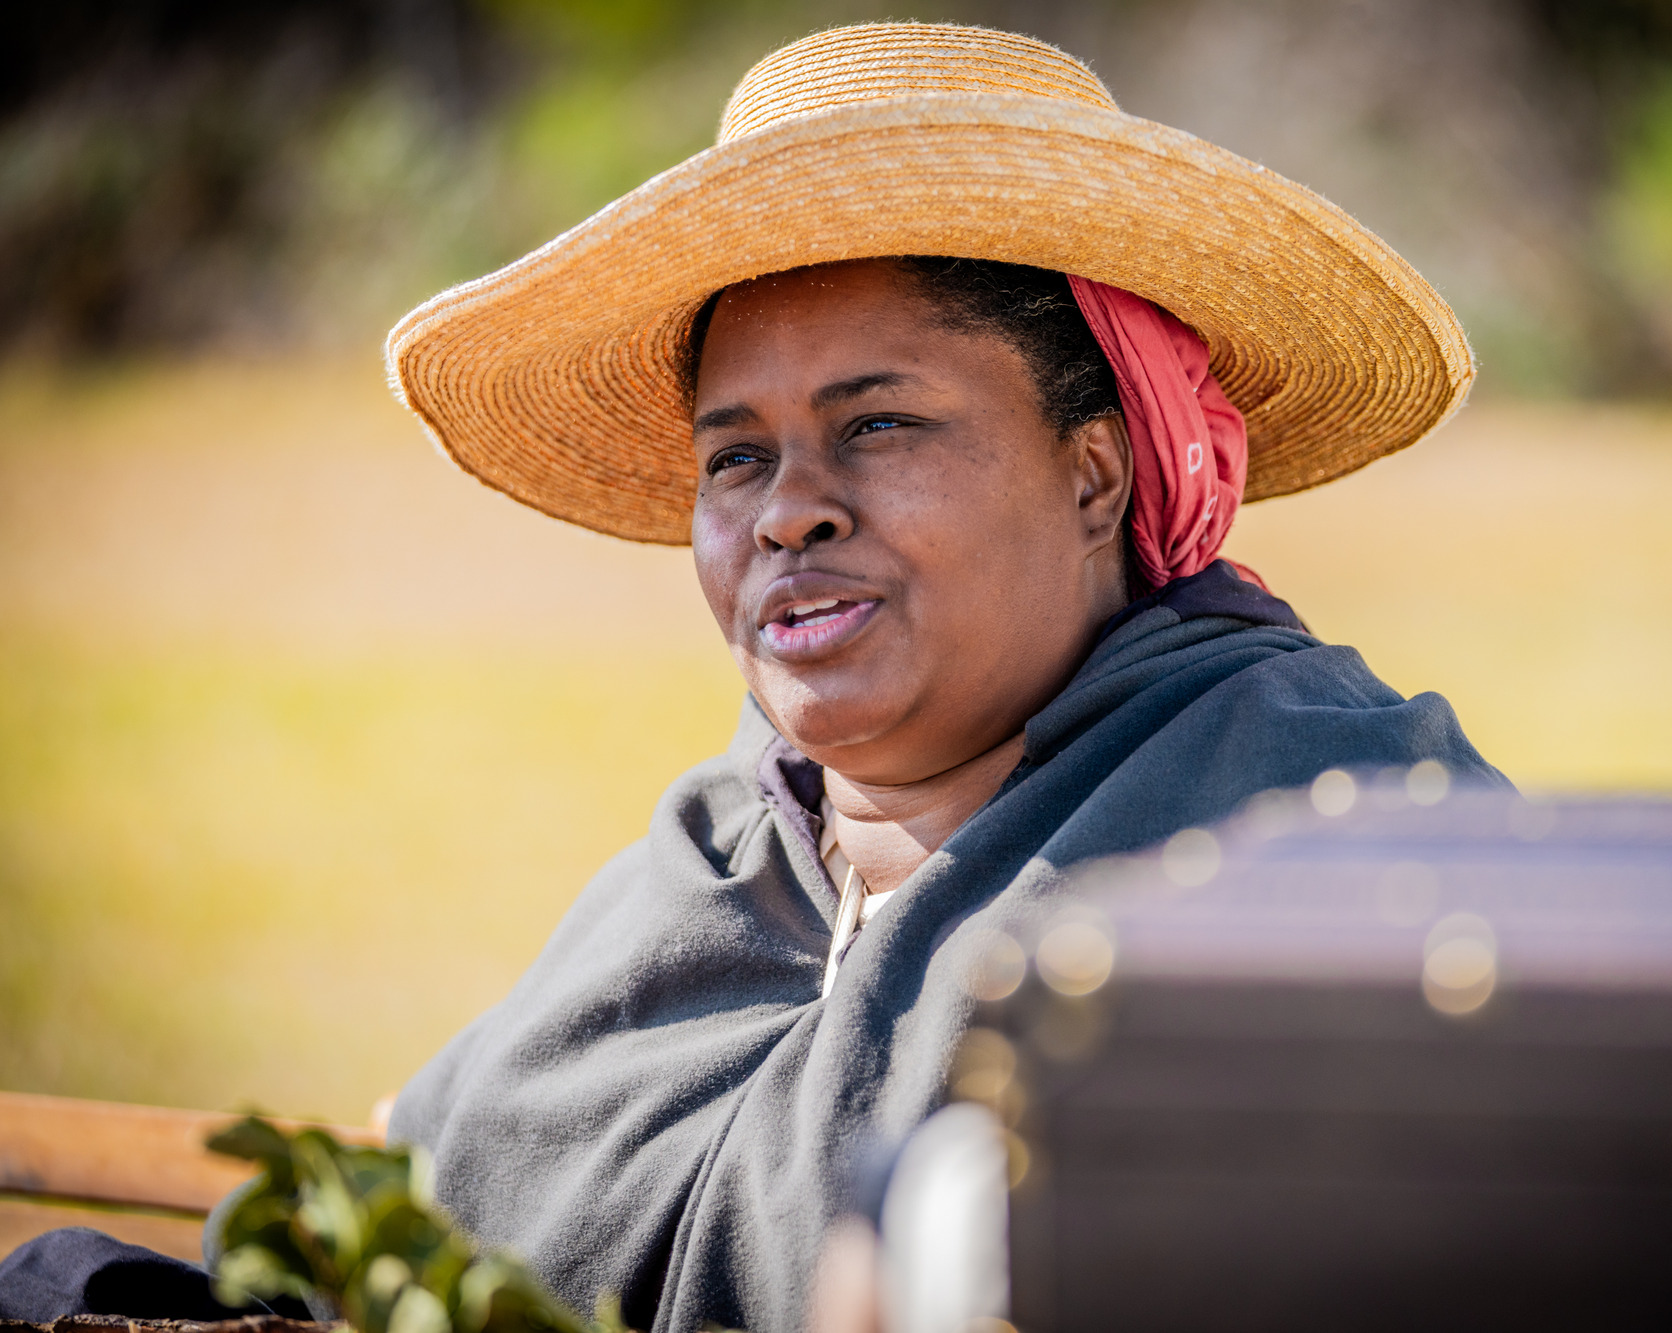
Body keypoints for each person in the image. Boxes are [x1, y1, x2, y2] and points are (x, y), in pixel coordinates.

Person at [0, 20, 1504, 1333]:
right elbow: (396, 1203)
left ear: (1096, 472)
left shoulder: (1317, 815)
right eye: (738, 455)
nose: (790, 507)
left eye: (880, 424)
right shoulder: (710, 856)